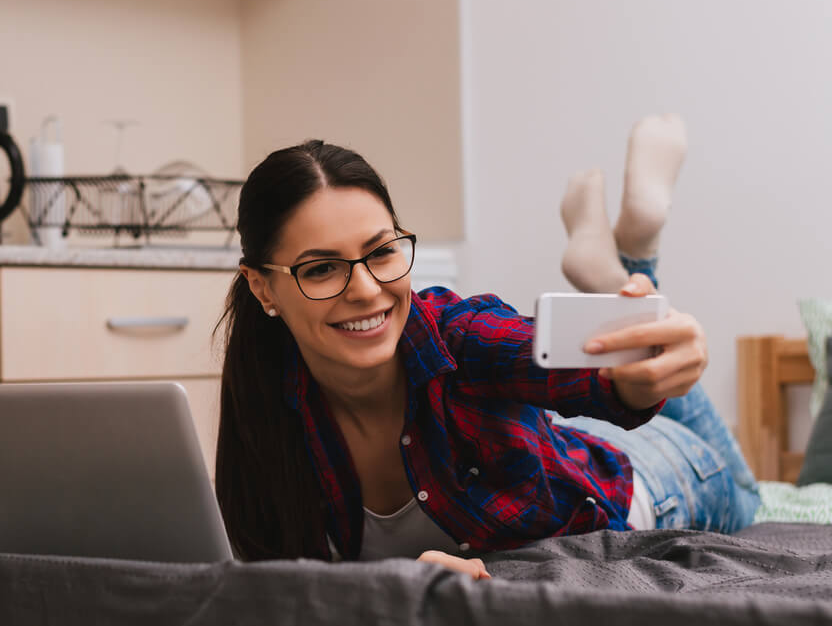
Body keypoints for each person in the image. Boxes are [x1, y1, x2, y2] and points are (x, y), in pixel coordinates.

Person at [214, 116, 760, 580]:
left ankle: (634, 267)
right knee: (567, 427)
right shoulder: (265, 391)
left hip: (652, 479)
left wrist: (641, 373)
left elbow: (555, 361)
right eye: (322, 268)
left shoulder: (458, 335)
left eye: (381, 253)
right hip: (559, 448)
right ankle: (616, 269)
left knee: (744, 488)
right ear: (263, 286)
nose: (364, 290)